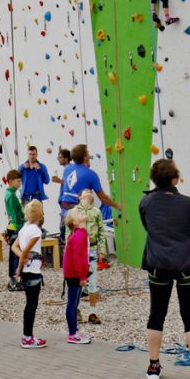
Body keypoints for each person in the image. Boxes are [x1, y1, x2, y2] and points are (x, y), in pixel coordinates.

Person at [140, 159, 190, 379]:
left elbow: (148, 227)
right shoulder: (187, 203)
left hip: (158, 263)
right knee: (189, 314)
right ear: (174, 179)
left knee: (156, 314)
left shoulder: (145, 202)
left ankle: (153, 366)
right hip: (186, 263)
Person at [12, 200, 45, 348]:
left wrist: (21, 258)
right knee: (32, 304)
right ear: (40, 215)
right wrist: (19, 266)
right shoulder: (36, 232)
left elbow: (15, 247)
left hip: (26, 270)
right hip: (32, 270)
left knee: (29, 304)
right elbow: (26, 251)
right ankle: (27, 337)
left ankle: (28, 335)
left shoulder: (24, 228)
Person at [60, 144, 122, 221]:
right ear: (85, 157)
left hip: (65, 213)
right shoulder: (91, 174)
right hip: (79, 215)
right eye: (87, 153)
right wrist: (117, 206)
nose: (89, 154)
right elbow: (103, 198)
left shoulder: (67, 169)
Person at [75, 189, 105, 324]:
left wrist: (102, 250)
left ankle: (93, 312)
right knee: (77, 282)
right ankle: (76, 310)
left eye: (89, 193)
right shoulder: (74, 212)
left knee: (93, 283)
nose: (88, 195)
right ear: (79, 197)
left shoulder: (96, 212)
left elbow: (101, 232)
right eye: (85, 194)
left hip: (92, 250)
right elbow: (69, 233)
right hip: (79, 250)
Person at [63, 208, 91, 344]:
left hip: (74, 272)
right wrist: (82, 276)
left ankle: (74, 329)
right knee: (72, 304)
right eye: (78, 213)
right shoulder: (79, 236)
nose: (81, 212)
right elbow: (78, 257)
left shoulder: (79, 234)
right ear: (75, 222)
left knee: (75, 303)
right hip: (74, 274)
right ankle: (72, 333)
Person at [3, 169, 24, 290]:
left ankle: (14, 279)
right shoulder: (11, 196)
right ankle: (13, 280)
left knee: (14, 255)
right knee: (15, 256)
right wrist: (21, 227)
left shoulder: (11, 194)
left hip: (14, 226)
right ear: (10, 181)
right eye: (18, 181)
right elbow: (15, 214)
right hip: (16, 227)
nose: (20, 183)